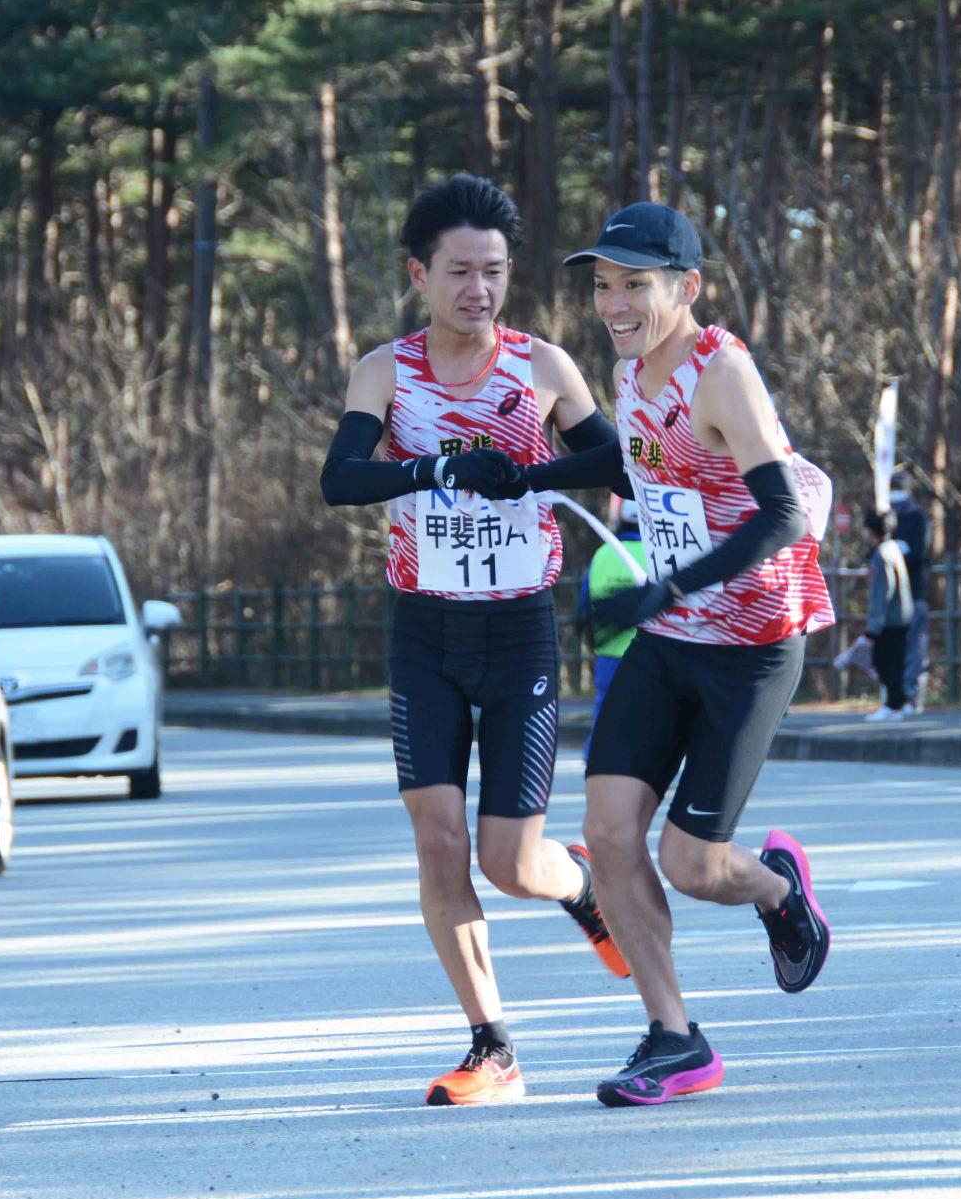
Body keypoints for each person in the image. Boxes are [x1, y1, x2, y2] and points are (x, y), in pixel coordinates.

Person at [506, 201, 836, 1108]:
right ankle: (674, 1036)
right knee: (608, 832)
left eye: (634, 285)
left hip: (752, 643)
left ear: (686, 288)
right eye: (604, 284)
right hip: (670, 633)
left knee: (695, 866)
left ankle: (776, 891)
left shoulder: (721, 371)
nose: (613, 302)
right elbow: (638, 470)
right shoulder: (631, 368)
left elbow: (783, 514)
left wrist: (674, 583)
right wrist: (526, 472)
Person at [318, 174, 629, 1108]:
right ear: (420, 274)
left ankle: (574, 883)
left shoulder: (542, 367)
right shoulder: (386, 370)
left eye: (494, 272)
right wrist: (442, 464)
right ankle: (492, 1045)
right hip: (423, 631)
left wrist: (527, 473)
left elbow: (614, 458)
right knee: (438, 840)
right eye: (459, 272)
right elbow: (341, 478)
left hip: (520, 631)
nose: (479, 291)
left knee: (507, 858)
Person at [575, 496, 646, 758]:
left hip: (608, 652)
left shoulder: (603, 554)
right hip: (648, 652)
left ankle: (595, 759)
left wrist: (592, 645)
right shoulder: (656, 552)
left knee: (605, 712)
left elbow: (584, 605)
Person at [862, 509, 915, 722]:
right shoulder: (894, 548)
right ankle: (900, 702)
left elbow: (881, 592)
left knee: (884, 662)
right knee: (898, 662)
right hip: (902, 615)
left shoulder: (881, 554)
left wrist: (873, 626)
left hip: (888, 620)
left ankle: (893, 705)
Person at [889, 473, 931, 713]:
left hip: (914, 591)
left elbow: (919, 554)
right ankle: (895, 695)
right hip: (893, 594)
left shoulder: (917, 517)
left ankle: (912, 695)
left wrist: (898, 551)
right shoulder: (885, 515)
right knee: (895, 646)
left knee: (914, 645)